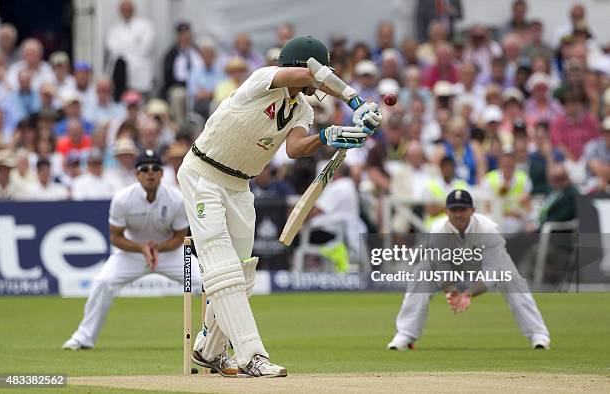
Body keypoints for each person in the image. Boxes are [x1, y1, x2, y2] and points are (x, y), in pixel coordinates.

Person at [177, 36, 382, 377]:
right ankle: (251, 356)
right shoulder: (263, 79)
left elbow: (295, 148)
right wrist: (355, 100)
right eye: (321, 72)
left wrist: (331, 136)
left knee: (241, 274)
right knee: (222, 268)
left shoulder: (303, 109)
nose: (323, 80)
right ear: (304, 68)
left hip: (240, 186)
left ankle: (209, 350)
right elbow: (307, 76)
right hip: (202, 175)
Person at [63, 150, 203, 350]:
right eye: (144, 169)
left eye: (155, 169)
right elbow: (116, 238)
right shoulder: (123, 199)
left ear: (162, 174)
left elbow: (179, 238)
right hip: (131, 253)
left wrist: (158, 248)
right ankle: (83, 337)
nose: (150, 173)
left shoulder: (177, 199)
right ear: (137, 175)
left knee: (205, 282)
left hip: (169, 252)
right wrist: (142, 248)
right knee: (103, 282)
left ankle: (218, 338)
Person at [387, 189, 551, 351]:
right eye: (454, 210)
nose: (458, 214)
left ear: (472, 210)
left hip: (484, 263)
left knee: (513, 279)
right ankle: (405, 335)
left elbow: (492, 272)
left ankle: (538, 335)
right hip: (452, 264)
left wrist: (468, 293)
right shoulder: (438, 231)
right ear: (446, 211)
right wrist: (452, 292)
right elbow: (441, 270)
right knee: (421, 273)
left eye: (463, 209)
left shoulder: (488, 229)